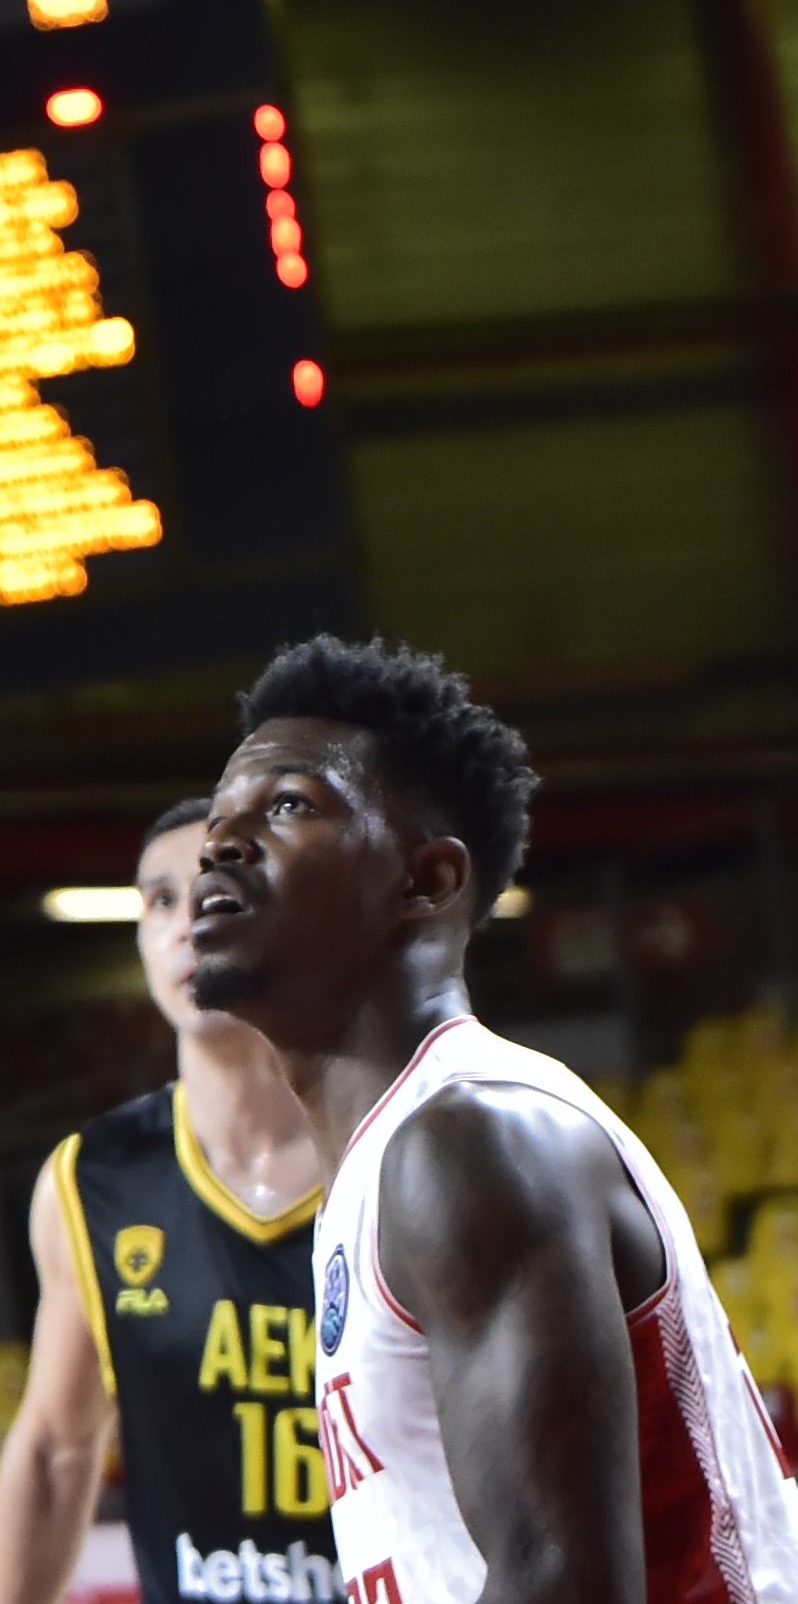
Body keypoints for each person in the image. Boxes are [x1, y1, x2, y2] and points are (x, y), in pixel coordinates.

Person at [191, 635, 798, 1604]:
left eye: (288, 805)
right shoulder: (391, 1160)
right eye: (219, 814)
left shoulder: (470, 1141)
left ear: (426, 881)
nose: (219, 841)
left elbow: (563, 1585)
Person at [0, 799, 329, 1604]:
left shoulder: (399, 1155)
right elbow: (55, 1451)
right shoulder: (92, 1180)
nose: (185, 925)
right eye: (160, 900)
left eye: (218, 895)